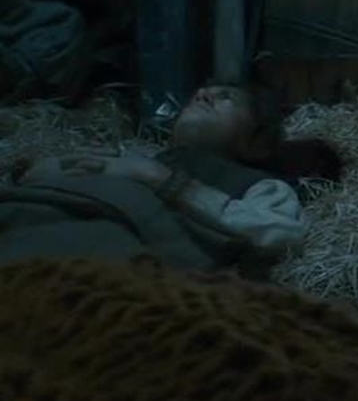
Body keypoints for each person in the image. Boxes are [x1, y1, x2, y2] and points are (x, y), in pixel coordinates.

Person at [0, 84, 340, 275]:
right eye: (202, 91)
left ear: (257, 144)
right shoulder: (136, 157)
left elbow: (278, 233)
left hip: (103, 255)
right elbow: (33, 180)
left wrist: (161, 180)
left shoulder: (257, 184)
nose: (203, 92)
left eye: (227, 97)